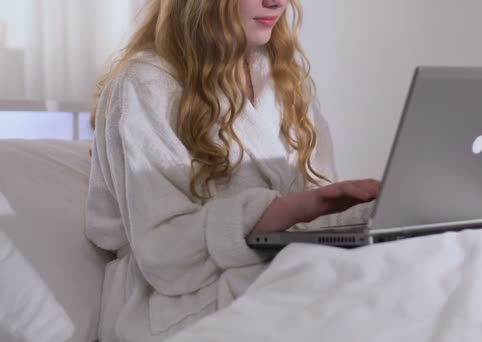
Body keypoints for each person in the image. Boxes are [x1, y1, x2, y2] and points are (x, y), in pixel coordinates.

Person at [85, 0, 380, 340]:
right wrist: (288, 209)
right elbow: (162, 250)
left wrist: (369, 210)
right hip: (174, 303)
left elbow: (317, 206)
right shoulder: (146, 83)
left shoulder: (282, 77)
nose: (277, 2)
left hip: (279, 268)